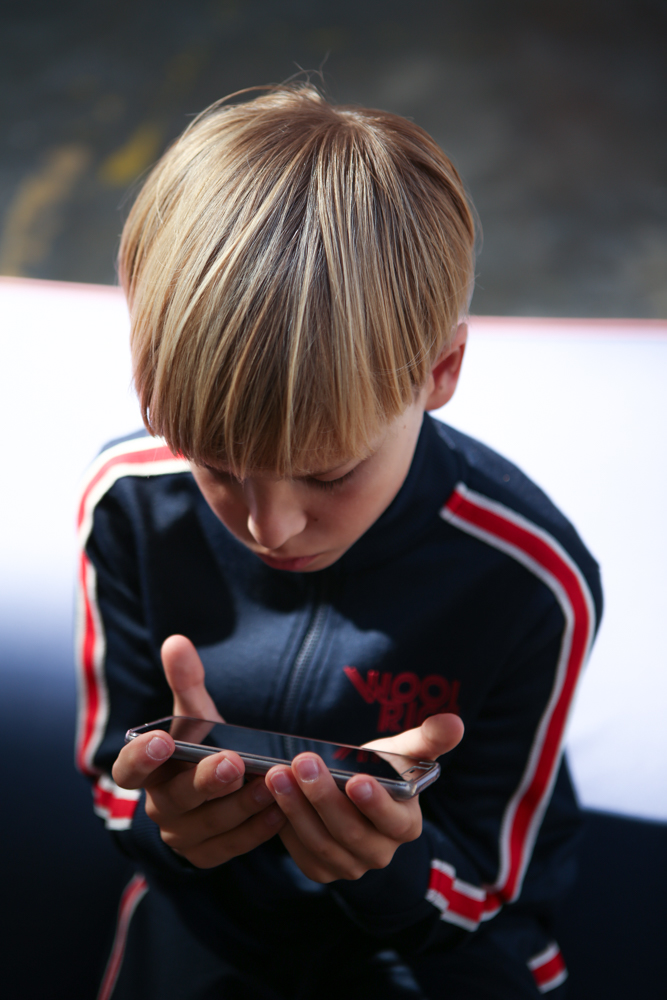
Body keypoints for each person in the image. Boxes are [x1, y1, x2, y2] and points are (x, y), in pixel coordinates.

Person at [76, 84, 602, 1000]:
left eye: (326, 475)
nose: (267, 527)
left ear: (440, 370)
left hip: (434, 951)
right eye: (216, 465)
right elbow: (111, 774)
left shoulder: (527, 579)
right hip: (208, 929)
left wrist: (393, 871)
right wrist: (165, 824)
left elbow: (494, 875)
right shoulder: (128, 506)